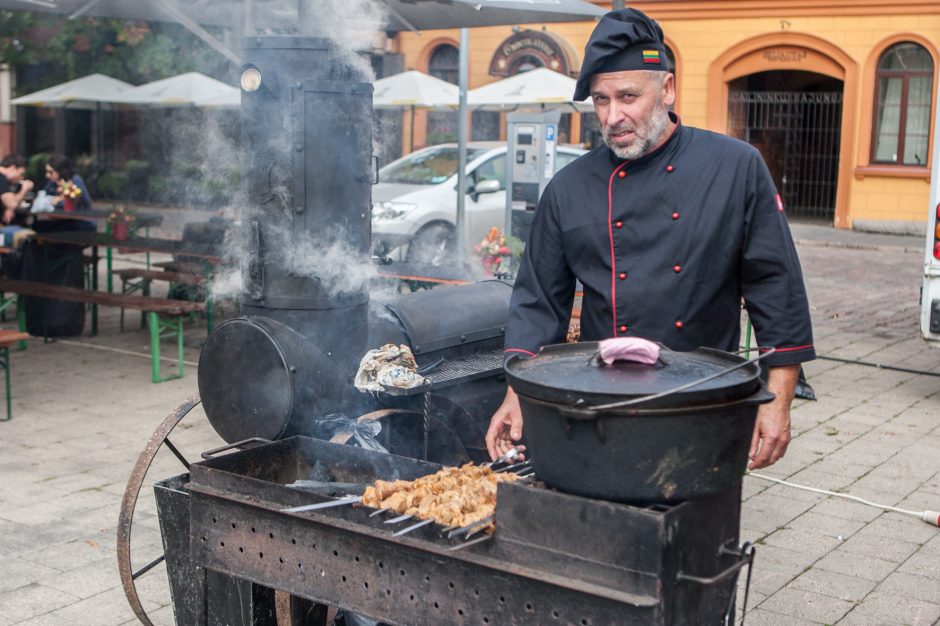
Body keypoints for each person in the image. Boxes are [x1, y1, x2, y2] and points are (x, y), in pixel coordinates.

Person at [485, 8, 815, 471]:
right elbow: (539, 301)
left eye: (628, 96)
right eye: (601, 100)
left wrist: (777, 400)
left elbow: (774, 287)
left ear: (668, 89)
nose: (613, 116)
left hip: (704, 404)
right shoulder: (568, 188)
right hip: (600, 404)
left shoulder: (735, 168)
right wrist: (517, 391)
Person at [0, 155, 34, 225]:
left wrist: (9, 208)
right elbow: (12, 204)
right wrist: (24, 189)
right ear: (13, 168)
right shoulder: (1, 178)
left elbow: (9, 203)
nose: (21, 178)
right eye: (21, 174)